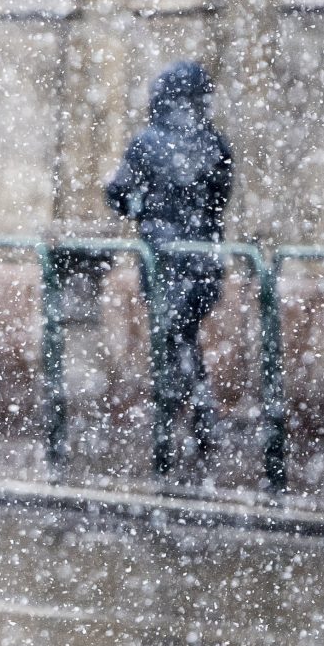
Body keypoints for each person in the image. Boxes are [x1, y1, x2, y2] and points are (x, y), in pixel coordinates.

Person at [104, 60, 235, 445]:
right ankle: (191, 409)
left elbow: (118, 194)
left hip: (162, 256)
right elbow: (220, 197)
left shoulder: (147, 142)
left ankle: (184, 408)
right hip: (203, 255)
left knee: (175, 335)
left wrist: (144, 211)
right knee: (184, 332)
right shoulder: (215, 142)